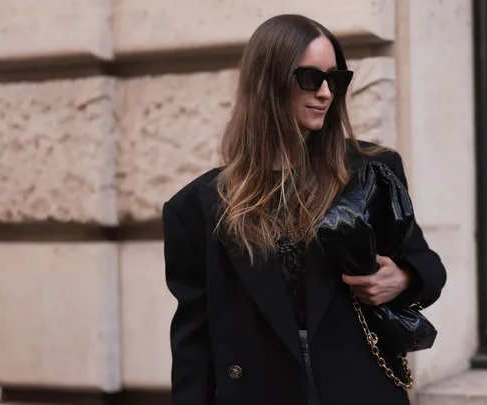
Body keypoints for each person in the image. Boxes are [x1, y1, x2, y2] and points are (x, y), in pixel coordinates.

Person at [162, 14, 447, 405]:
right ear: (268, 83)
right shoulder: (197, 207)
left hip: (358, 387)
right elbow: (193, 347)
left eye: (337, 79)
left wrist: (402, 277)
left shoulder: (371, 173)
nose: (327, 93)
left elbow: (428, 266)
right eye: (311, 78)